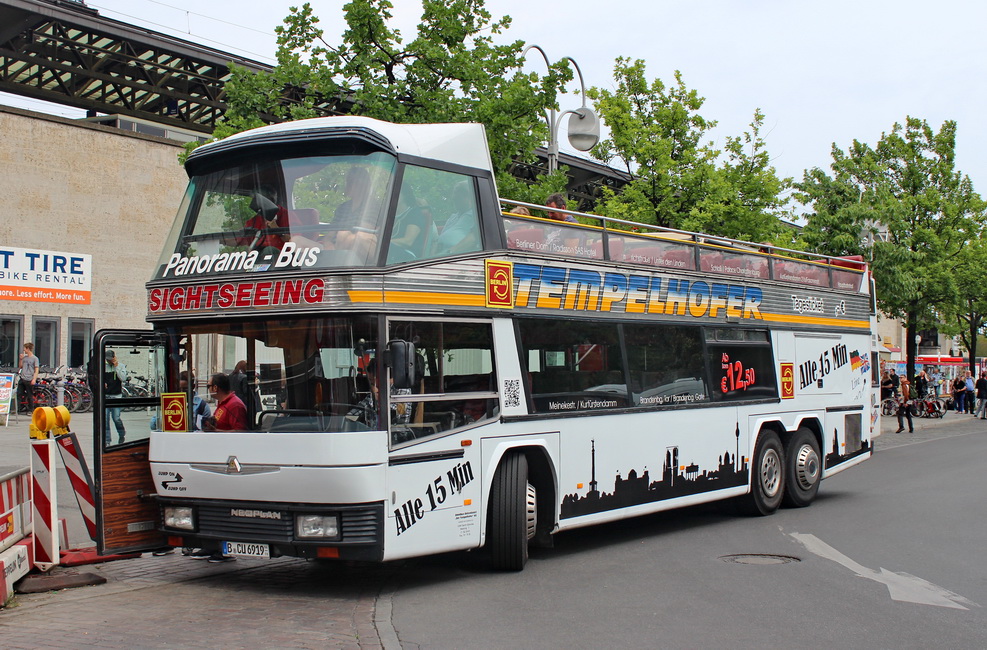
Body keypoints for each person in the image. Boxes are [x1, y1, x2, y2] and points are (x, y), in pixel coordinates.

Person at [436, 180, 480, 254]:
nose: (453, 198)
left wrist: (449, 252)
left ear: (467, 197)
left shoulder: (476, 216)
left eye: (457, 197)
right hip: (439, 254)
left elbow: (474, 238)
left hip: (455, 257)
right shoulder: (453, 217)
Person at [103, 350, 127, 445]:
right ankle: (107, 440)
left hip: (116, 395)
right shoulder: (104, 366)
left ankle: (121, 433)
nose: (109, 361)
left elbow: (123, 378)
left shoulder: (120, 366)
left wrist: (116, 367)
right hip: (106, 395)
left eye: (110, 359)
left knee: (116, 417)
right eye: (107, 360)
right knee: (105, 419)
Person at [17, 342, 39, 414]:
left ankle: (31, 410)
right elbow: (20, 366)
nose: (24, 350)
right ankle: (17, 409)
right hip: (22, 378)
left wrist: (34, 379)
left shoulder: (35, 358)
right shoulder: (25, 358)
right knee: (19, 394)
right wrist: (20, 359)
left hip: (29, 379)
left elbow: (36, 369)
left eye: (25, 348)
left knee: (30, 395)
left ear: (28, 349)